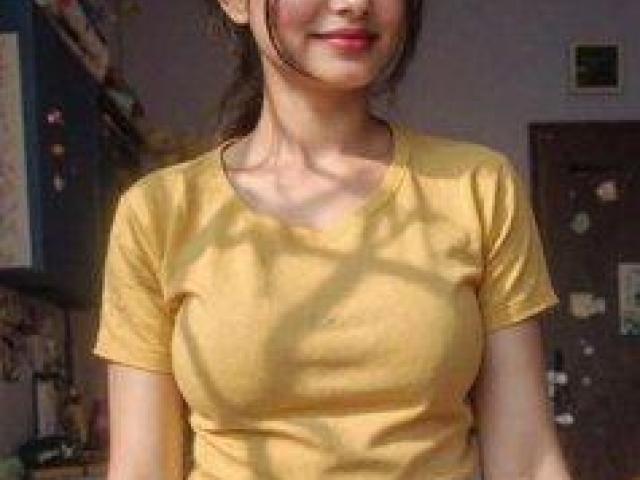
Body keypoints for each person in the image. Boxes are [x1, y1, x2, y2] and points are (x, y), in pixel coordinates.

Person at [92, 0, 575, 478]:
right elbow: (141, 469)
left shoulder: (477, 187)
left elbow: (528, 460)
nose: (354, 4)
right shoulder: (160, 213)